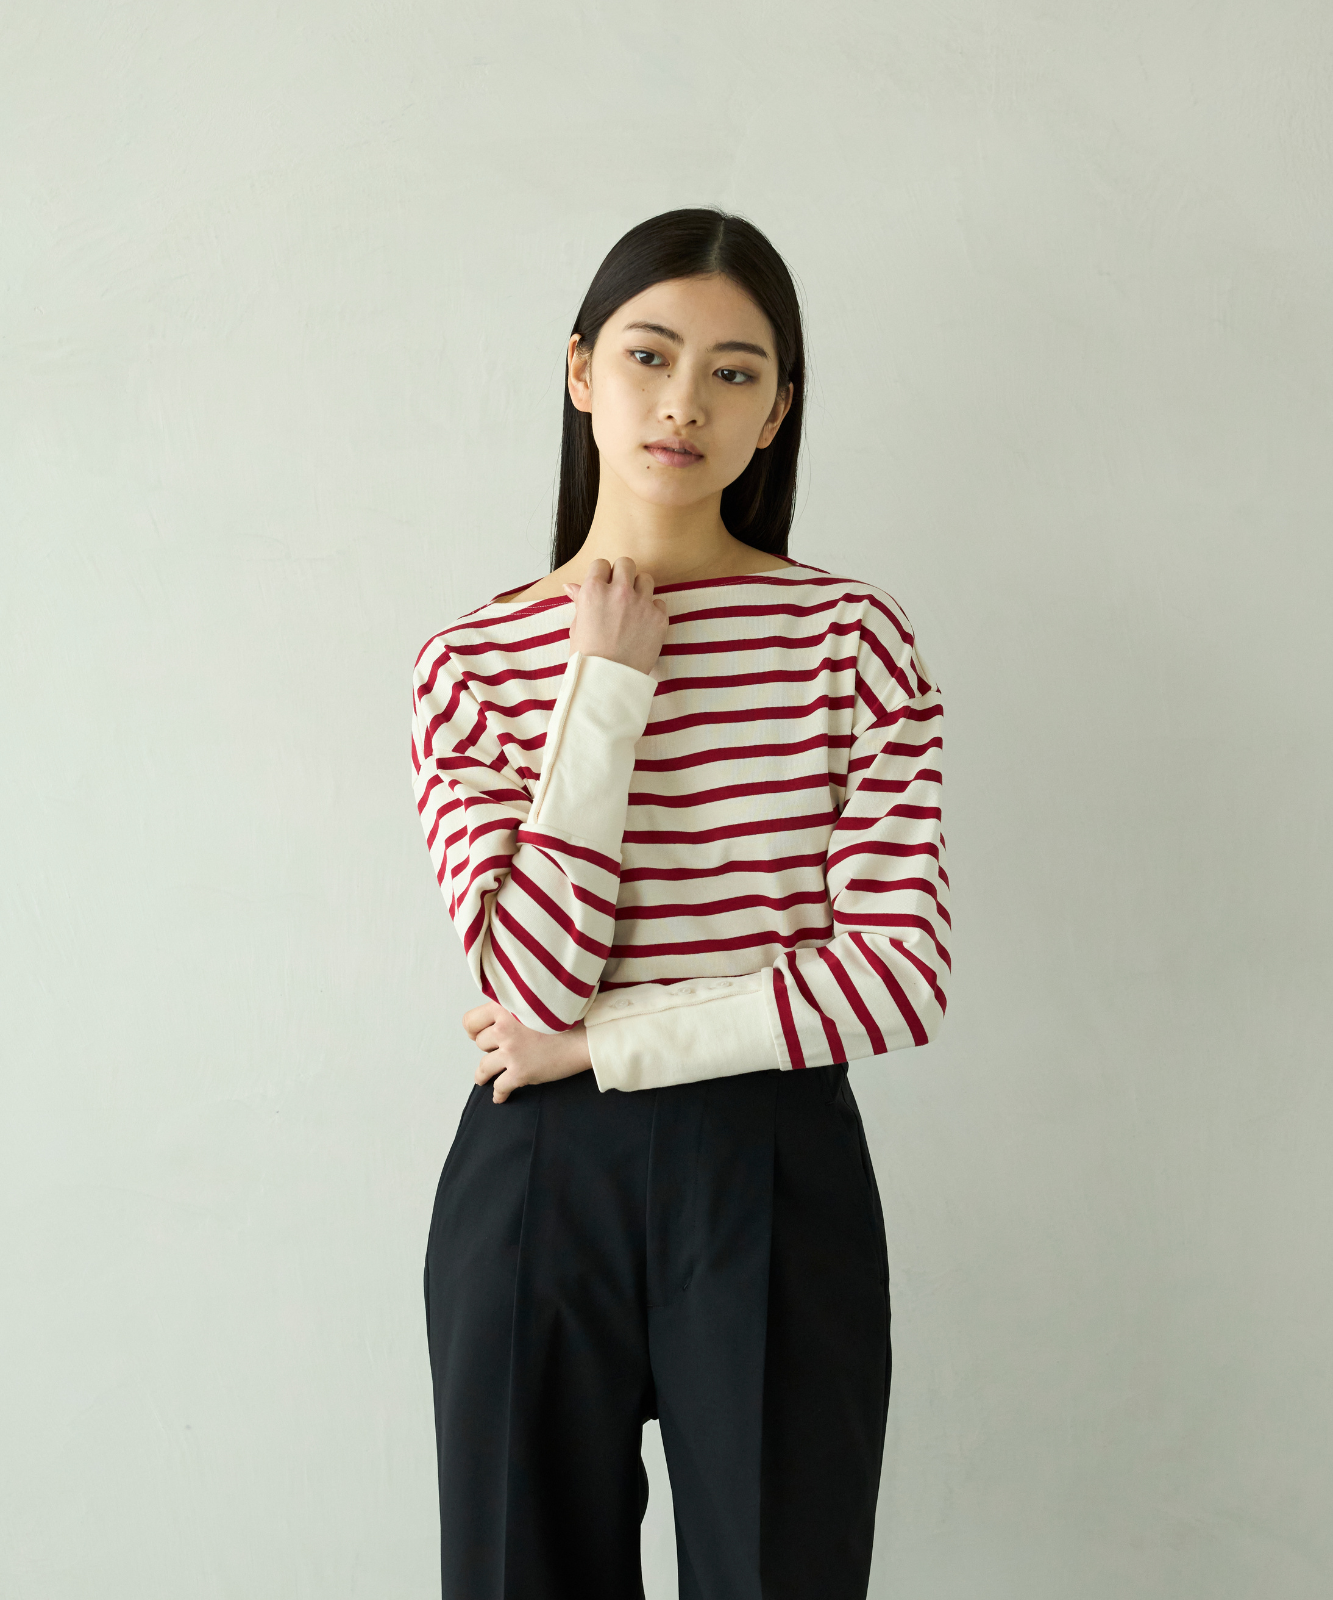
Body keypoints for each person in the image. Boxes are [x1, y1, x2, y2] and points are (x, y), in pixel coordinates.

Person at [409, 206, 950, 1600]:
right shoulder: (473, 663)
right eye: (649, 355)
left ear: (778, 413)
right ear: (581, 370)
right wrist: (606, 690)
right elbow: (530, 984)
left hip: (773, 1166)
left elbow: (898, 977)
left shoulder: (850, 641)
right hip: (539, 1182)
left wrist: (603, 1044)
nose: (683, 402)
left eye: (734, 371)